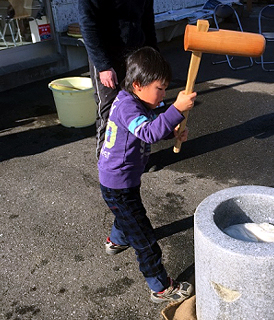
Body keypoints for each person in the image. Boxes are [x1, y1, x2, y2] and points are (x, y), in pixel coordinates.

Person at [98, 47, 197, 303]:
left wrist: (172, 132)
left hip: (122, 181)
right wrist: (176, 109)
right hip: (118, 184)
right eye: (159, 89)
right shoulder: (127, 108)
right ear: (138, 85)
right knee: (144, 238)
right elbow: (148, 132)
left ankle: (116, 241)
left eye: (165, 90)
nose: (163, 95)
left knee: (126, 214)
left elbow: (152, 128)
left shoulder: (133, 100)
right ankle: (160, 286)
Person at [78, 0, 158, 159]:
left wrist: (154, 58)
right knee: (109, 109)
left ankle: (137, 156)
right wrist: (104, 66)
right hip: (106, 55)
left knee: (140, 105)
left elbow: (148, 21)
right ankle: (106, 161)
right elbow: (88, 25)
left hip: (136, 53)